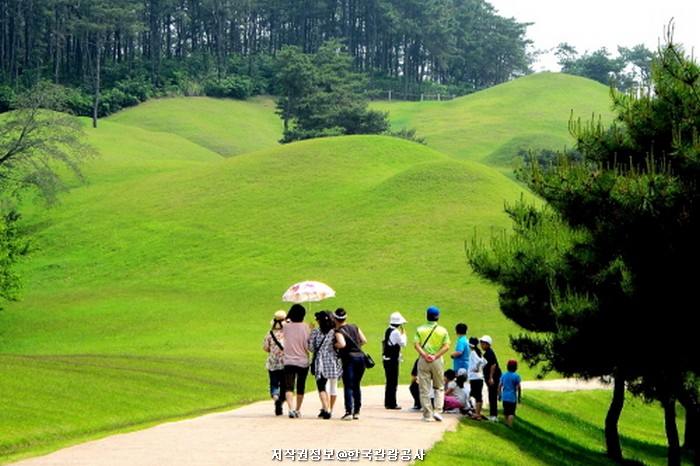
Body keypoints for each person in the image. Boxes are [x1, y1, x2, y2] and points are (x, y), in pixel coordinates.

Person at [413, 306, 450, 422]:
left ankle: (427, 414)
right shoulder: (442, 330)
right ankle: (438, 411)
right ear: (437, 317)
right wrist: (435, 355)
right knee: (439, 387)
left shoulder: (420, 329)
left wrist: (424, 355)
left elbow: (416, 345)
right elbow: (446, 346)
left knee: (424, 388)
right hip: (437, 360)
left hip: (424, 360)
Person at [333, 308, 368, 420]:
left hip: (349, 359)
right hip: (360, 358)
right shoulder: (355, 327)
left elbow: (342, 344)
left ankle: (349, 411)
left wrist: (335, 345)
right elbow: (363, 340)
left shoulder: (339, 331)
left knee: (348, 385)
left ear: (335, 319)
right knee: (356, 385)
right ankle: (357, 411)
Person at [308, 310, 342, 419]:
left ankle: (325, 408)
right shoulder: (334, 331)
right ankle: (330, 409)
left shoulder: (316, 331)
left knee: (322, 386)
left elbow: (311, 348)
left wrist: (310, 331)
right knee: (333, 386)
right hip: (333, 360)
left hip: (320, 361)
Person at [283, 303, 311, 418]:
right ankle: (298, 409)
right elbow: (308, 345)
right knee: (300, 386)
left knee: (289, 386)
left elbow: (278, 323)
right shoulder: (306, 327)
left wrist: (287, 317)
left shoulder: (286, 326)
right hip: (303, 360)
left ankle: (290, 408)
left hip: (289, 360)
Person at [262, 309, 287, 416]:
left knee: (274, 384)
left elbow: (265, 348)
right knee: (284, 385)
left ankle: (275, 397)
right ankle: (281, 401)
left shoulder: (270, 333)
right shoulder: (287, 334)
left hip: (273, 362)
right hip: (285, 362)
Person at [383, 312, 408, 409]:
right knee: (393, 381)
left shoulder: (388, 330)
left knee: (389, 381)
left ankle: (389, 401)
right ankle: (391, 403)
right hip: (392, 360)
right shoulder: (396, 332)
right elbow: (403, 343)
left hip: (387, 359)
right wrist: (404, 335)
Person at [480, 335, 501, 422]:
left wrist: (491, 377)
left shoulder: (489, 353)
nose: (482, 345)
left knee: (492, 395)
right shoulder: (487, 353)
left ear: (488, 344)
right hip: (490, 377)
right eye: (481, 343)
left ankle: (493, 415)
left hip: (493, 378)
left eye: (483, 344)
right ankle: (493, 414)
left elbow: (493, 365)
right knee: (491, 395)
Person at [498, 359, 522, 427]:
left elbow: (499, 386)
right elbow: (518, 387)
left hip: (504, 396)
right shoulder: (516, 376)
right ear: (515, 368)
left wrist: (499, 395)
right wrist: (519, 397)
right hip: (512, 397)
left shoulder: (503, 375)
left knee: (506, 412)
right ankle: (510, 425)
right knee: (511, 413)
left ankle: (506, 423)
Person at [467, 336, 487, 420]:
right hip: (479, 377)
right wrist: (479, 368)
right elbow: (484, 362)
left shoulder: (473, 353)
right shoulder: (479, 353)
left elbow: (479, 362)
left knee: (475, 395)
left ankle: (477, 413)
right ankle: (477, 412)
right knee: (477, 395)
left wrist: (475, 368)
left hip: (474, 377)